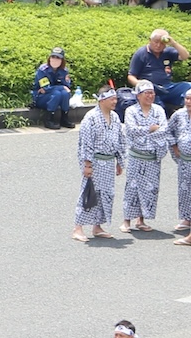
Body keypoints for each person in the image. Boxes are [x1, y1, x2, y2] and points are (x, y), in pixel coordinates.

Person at [76, 82, 126, 242]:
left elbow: (120, 139)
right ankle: (78, 228)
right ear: (102, 100)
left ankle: (97, 226)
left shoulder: (115, 117)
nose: (115, 102)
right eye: (111, 99)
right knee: (89, 193)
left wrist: (119, 161)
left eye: (115, 99)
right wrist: (87, 164)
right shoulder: (91, 117)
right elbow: (86, 142)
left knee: (106, 194)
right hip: (95, 161)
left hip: (109, 161)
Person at [124, 81, 170, 233]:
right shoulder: (131, 111)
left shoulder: (158, 110)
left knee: (149, 189)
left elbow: (164, 130)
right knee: (132, 188)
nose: (150, 96)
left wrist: (145, 133)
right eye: (147, 93)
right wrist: (150, 129)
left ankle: (141, 219)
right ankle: (126, 221)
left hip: (152, 156)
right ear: (138, 96)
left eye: (152, 93)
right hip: (136, 155)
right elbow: (131, 130)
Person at [130, 29, 188, 114]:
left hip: (167, 87)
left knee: (187, 87)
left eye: (162, 43)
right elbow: (131, 76)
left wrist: (173, 43)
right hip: (151, 89)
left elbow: (185, 56)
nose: (158, 45)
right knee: (159, 108)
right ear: (150, 40)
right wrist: (140, 83)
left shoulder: (168, 52)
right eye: (155, 42)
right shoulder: (140, 53)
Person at [35, 47, 77, 128]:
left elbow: (67, 87)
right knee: (57, 93)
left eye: (58, 57)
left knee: (65, 93)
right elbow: (46, 88)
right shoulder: (43, 70)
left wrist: (62, 88)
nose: (55, 59)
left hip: (54, 96)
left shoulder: (64, 71)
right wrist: (61, 87)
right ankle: (48, 120)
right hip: (41, 97)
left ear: (62, 60)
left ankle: (64, 118)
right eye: (53, 57)